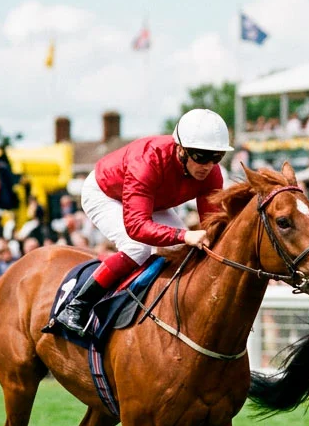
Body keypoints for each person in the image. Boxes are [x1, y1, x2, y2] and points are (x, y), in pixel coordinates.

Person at [52, 108, 230, 333]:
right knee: (138, 247)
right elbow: (136, 227)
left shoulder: (211, 173)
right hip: (105, 193)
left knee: (184, 249)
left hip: (150, 202)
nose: (207, 165)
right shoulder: (148, 160)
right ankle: (77, 305)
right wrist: (184, 234)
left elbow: (212, 225)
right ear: (181, 149)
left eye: (216, 157)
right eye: (200, 156)